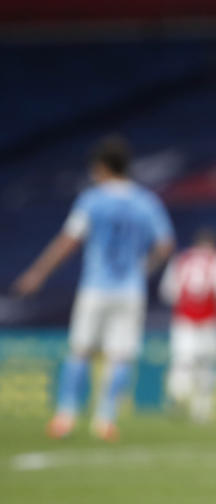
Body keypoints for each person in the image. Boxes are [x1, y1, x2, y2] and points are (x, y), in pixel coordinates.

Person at [12, 136, 175, 440]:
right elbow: (165, 245)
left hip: (96, 288)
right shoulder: (146, 201)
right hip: (129, 290)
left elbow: (68, 242)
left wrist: (37, 273)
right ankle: (105, 420)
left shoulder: (92, 200)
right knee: (121, 355)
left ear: (101, 167)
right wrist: (143, 269)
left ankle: (66, 416)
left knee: (80, 351)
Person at [159, 228, 216, 423]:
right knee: (206, 364)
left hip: (184, 319)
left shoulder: (181, 260)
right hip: (210, 319)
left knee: (183, 360)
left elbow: (168, 292)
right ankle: (201, 410)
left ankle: (178, 396)